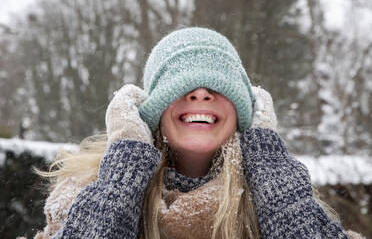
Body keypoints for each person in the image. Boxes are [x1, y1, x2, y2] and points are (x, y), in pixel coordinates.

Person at [32, 28, 363, 239]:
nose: (201, 94)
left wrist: (269, 166)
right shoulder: (86, 191)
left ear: (243, 113)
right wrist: (123, 174)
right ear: (154, 111)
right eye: (182, 86)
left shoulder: (280, 191)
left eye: (219, 87)